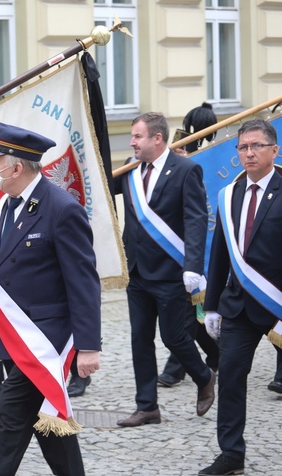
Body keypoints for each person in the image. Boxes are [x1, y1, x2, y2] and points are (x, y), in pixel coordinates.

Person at [0, 122, 101, 476]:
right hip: (12, 338)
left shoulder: (61, 208)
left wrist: (88, 346)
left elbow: (83, 282)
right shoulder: (4, 207)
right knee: (48, 425)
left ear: (16, 167)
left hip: (45, 342)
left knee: (9, 423)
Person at [114, 112, 215, 428]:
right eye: (132, 136)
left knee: (174, 338)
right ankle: (147, 407)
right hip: (138, 272)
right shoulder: (129, 172)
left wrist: (193, 266)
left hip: (172, 272)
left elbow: (195, 220)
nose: (132, 142)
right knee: (140, 339)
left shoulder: (186, 170)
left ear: (158, 138)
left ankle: (203, 376)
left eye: (138, 136)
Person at [200, 118, 282, 475]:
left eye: (256, 146)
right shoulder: (229, 193)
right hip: (238, 306)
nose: (248, 153)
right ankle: (231, 454)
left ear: (274, 150)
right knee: (231, 378)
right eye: (243, 147)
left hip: (278, 303)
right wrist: (213, 305)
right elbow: (219, 252)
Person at [159, 103, 220, 387]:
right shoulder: (179, 148)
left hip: (204, 241)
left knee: (191, 312)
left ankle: (177, 367)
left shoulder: (218, 151)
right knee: (189, 310)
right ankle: (212, 355)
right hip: (176, 242)